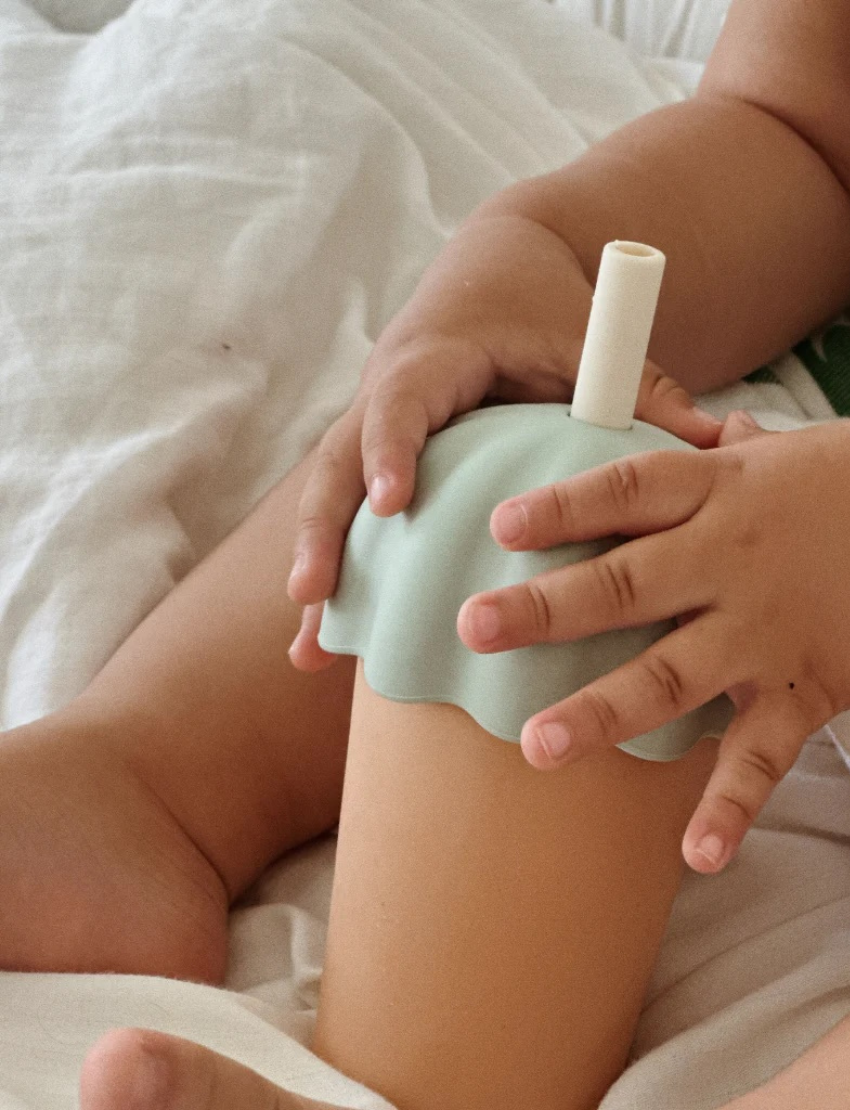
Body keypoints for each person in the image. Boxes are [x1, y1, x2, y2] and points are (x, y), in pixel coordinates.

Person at [2, 0, 849, 1106]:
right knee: (507, 484)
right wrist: (538, 258)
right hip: (791, 465)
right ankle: (151, 784)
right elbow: (802, 133)